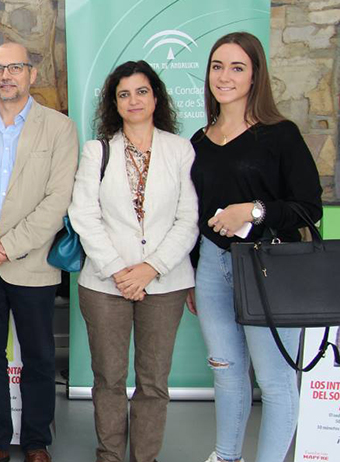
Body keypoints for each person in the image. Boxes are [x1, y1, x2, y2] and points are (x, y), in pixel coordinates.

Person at [190, 31, 322, 462]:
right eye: (217, 66)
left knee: (275, 380)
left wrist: (253, 210)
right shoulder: (200, 140)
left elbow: (308, 208)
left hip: (270, 269)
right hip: (212, 267)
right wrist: (193, 274)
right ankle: (226, 456)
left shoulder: (280, 135)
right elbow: (195, 216)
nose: (224, 76)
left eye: (237, 67)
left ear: (255, 76)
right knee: (226, 373)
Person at [67, 60, 198, 462]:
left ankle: (145, 458)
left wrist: (150, 268)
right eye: (124, 94)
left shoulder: (180, 149)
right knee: (108, 379)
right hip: (106, 284)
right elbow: (83, 215)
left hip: (165, 282)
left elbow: (188, 218)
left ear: (155, 97)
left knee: (154, 381)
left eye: (141, 91)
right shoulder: (97, 151)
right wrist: (121, 271)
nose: (133, 100)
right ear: (114, 103)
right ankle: (110, 455)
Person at [0, 42, 77, 462]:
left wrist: (7, 246)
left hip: (32, 265)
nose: (6, 75)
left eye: (15, 68)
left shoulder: (59, 128)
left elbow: (57, 200)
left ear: (31, 74)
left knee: (40, 357)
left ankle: (35, 443)